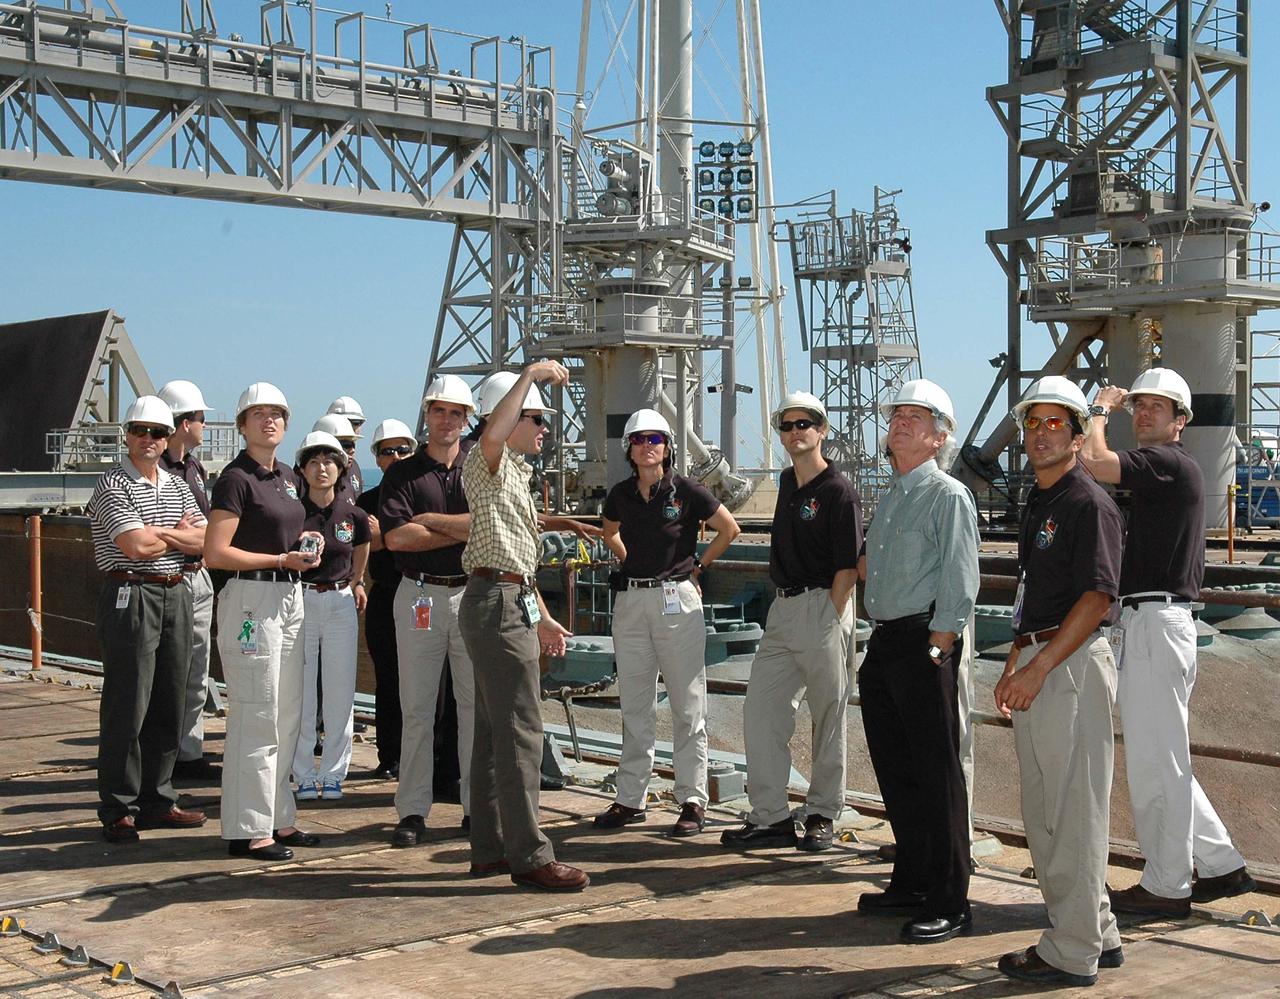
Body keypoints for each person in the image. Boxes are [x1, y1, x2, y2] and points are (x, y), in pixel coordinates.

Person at [1082, 368, 1255, 915]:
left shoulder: (1167, 463)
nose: (1149, 413)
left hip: (1158, 622)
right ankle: (1222, 865)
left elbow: (1093, 461)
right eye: (1143, 406)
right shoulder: (1162, 471)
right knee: (1166, 756)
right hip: (1150, 621)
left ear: (1182, 421)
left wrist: (1099, 411)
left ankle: (1166, 886)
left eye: (1161, 407)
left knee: (1158, 764)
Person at [995, 376, 1124, 988]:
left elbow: (1098, 597)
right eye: (1033, 423)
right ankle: (1097, 929)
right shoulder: (1043, 501)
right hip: (1043, 658)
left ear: (1078, 434)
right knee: (1049, 808)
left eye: (1055, 423)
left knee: (1069, 813)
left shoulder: (1086, 503)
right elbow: (1033, 593)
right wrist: (1015, 657)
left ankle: (1072, 952)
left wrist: (1041, 667)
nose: (1042, 433)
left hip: (1069, 667)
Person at [857, 379, 980, 944]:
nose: (901, 422)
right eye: (898, 414)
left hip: (923, 645)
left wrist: (937, 651)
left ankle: (952, 899)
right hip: (885, 643)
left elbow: (959, 581)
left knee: (938, 775)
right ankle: (912, 879)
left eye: (916, 417)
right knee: (898, 771)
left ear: (939, 437)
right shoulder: (893, 495)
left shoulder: (947, 495)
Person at [458, 360, 588, 892]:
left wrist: (543, 618)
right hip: (494, 601)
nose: (544, 430)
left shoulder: (515, 473)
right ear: (506, 419)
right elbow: (493, 431)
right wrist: (530, 376)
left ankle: (490, 849)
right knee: (522, 733)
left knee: (493, 736)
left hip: (508, 598)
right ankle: (531, 855)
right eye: (536, 420)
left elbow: (520, 563)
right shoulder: (484, 461)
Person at [721, 391, 860, 855]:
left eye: (805, 424)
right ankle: (771, 817)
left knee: (829, 717)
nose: (796, 432)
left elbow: (849, 565)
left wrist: (832, 612)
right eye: (787, 425)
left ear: (821, 431)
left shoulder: (839, 491)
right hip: (782, 611)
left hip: (824, 604)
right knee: (761, 712)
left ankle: (822, 813)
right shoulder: (786, 481)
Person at [595, 408, 741, 837]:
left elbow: (728, 528)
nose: (647, 446)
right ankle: (630, 799)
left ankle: (692, 800)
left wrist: (697, 565)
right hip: (632, 601)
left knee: (687, 703)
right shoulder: (620, 494)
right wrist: (631, 562)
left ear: (668, 446)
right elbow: (609, 532)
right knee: (634, 704)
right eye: (639, 440)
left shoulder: (688, 491)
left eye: (654, 439)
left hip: (677, 599)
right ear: (629, 448)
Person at [205, 382, 325, 861]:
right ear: (242, 425)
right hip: (252, 598)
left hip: (289, 594)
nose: (269, 420)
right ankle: (245, 827)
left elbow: (285, 527)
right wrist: (280, 558)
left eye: (277, 413)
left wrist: (304, 546)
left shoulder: (288, 477)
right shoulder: (236, 479)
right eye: (258, 414)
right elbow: (215, 552)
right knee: (257, 712)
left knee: (287, 713)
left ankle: (278, 817)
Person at [88, 396, 208, 843]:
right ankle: (118, 806)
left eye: (157, 432)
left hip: (175, 591)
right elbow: (134, 547)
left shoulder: (177, 483)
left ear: (167, 437)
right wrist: (177, 534)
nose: (148, 439)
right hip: (131, 591)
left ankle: (158, 799)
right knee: (128, 702)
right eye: (140, 430)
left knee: (169, 700)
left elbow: (206, 538)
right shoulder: (112, 484)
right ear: (127, 434)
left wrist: (161, 534)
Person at [379, 376, 477, 846]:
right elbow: (396, 538)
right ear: (427, 414)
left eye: (456, 413)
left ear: (467, 419)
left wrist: (430, 522)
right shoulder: (402, 474)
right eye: (439, 411)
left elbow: (488, 525)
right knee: (417, 708)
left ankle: (476, 808)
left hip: (469, 595)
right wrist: (463, 530)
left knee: (474, 707)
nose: (447, 420)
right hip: (418, 594)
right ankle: (413, 810)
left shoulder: (480, 469)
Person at [292, 431, 371, 802]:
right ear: (303, 469)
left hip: (339, 603)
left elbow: (362, 545)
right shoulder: (294, 511)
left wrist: (356, 582)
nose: (321, 468)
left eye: (328, 461)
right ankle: (304, 772)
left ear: (340, 468)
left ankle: (335, 772)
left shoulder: (351, 512)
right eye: (313, 462)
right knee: (303, 690)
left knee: (340, 691)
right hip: (302, 601)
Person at [156, 379, 219, 782]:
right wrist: (186, 534)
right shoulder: (156, 469)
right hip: (169, 579)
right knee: (166, 673)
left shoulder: (193, 467)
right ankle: (160, 756)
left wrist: (191, 534)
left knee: (197, 671)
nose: (204, 425)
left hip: (199, 575)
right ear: (182, 423)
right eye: (199, 418)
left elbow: (207, 531)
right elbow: (153, 530)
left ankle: (188, 751)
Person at [356, 418, 417, 781]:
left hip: (425, 592)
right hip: (387, 594)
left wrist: (386, 534)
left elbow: (382, 538)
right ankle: (390, 755)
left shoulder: (427, 493)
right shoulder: (365, 501)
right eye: (386, 451)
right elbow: (361, 540)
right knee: (389, 679)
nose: (394, 457)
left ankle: (429, 756)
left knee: (431, 684)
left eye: (402, 449)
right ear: (376, 458)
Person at [313, 413, 363, 505]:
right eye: (346, 445)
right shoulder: (301, 484)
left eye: (353, 444)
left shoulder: (350, 478)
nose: (352, 450)